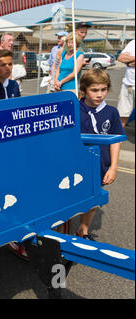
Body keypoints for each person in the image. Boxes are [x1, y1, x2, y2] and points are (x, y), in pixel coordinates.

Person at [77, 69, 125, 240]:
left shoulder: (111, 112)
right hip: (77, 165)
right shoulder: (75, 110)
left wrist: (113, 167)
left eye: (103, 89)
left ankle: (83, 231)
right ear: (83, 90)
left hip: (100, 165)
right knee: (70, 201)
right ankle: (61, 234)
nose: (100, 94)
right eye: (94, 90)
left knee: (93, 199)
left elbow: (115, 140)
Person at [117, 40, 135, 128]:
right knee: (122, 114)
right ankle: (117, 139)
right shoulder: (132, 43)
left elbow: (127, 61)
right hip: (128, 85)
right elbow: (120, 58)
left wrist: (129, 60)